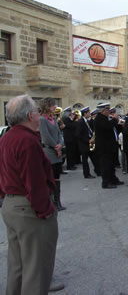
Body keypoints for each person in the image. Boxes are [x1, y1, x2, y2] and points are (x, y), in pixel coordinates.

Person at [0, 95, 58, 295]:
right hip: (28, 208)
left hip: (11, 204)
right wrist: (45, 210)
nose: (37, 114)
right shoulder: (26, 140)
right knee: (36, 267)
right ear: (29, 115)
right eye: (35, 111)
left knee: (18, 263)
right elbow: (34, 181)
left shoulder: (8, 136)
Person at [38, 97, 66, 212]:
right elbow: (45, 137)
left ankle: (58, 201)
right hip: (49, 152)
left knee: (57, 177)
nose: (55, 107)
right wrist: (55, 146)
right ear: (47, 106)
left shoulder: (54, 118)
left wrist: (60, 144)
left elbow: (60, 133)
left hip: (57, 151)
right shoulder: (42, 120)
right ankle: (52, 202)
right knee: (51, 177)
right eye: (53, 105)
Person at [94, 103, 124, 189]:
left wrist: (119, 124)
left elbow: (113, 128)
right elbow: (107, 126)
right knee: (105, 166)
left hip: (110, 146)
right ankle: (106, 182)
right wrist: (115, 119)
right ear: (103, 111)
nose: (109, 111)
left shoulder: (105, 118)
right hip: (104, 147)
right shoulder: (99, 119)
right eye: (108, 110)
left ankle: (113, 179)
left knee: (111, 165)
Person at [76, 106, 99, 179]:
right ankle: (86, 174)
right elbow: (78, 134)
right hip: (84, 144)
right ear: (85, 113)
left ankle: (98, 171)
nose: (89, 113)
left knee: (94, 158)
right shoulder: (80, 122)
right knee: (85, 161)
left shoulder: (86, 121)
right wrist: (88, 140)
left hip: (89, 143)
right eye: (88, 112)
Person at [62, 106, 78, 170]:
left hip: (71, 138)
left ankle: (72, 164)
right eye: (70, 111)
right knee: (69, 153)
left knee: (72, 152)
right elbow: (71, 126)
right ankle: (69, 166)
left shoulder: (69, 119)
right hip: (68, 138)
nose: (71, 113)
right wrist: (75, 121)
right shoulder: (66, 119)